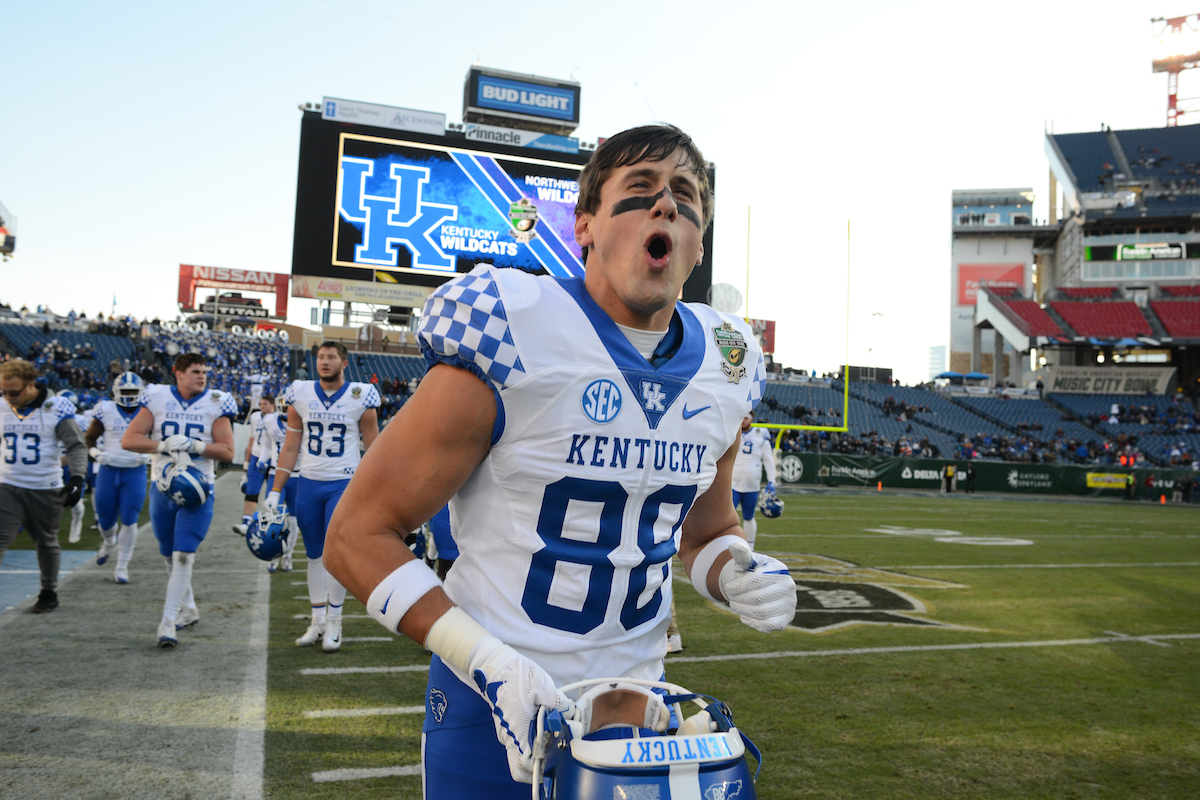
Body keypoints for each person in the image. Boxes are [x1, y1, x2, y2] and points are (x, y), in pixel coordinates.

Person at [323, 124, 797, 797]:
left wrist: (737, 571)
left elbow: (704, 533)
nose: (665, 204)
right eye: (639, 190)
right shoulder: (513, 326)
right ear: (585, 227)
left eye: (684, 196)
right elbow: (353, 537)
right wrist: (486, 663)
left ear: (696, 244)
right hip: (489, 708)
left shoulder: (729, 362)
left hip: (636, 712)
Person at [266, 341, 380, 653]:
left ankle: (334, 621)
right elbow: (290, 447)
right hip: (309, 484)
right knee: (314, 554)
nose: (324, 362)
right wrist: (276, 490)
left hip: (343, 484)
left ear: (344, 363)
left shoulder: (360, 395)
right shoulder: (300, 392)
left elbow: (374, 448)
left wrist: (378, 491)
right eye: (320, 357)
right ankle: (317, 621)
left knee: (334, 553)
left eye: (331, 357)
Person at [121, 353, 236, 647]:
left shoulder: (216, 402)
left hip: (199, 489)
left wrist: (196, 445)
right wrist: (162, 445)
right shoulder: (158, 397)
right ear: (178, 374)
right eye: (196, 371)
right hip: (162, 487)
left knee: (184, 555)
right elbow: (130, 439)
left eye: (204, 372)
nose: (202, 377)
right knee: (168, 555)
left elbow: (227, 451)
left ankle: (167, 622)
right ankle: (189, 608)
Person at [0, 360, 88, 613]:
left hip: (44, 487)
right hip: (7, 484)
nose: (8, 397)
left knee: (46, 541)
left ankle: (49, 590)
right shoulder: (3, 406)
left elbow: (76, 446)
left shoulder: (55, 407)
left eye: (13, 392)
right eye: (3, 391)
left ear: (31, 385)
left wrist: (77, 478)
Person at [85, 371, 150, 582]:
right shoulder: (105, 409)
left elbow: (160, 438)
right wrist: (96, 454)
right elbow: (90, 439)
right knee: (105, 519)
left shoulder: (148, 411)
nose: (130, 395)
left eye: (133, 391)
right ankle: (108, 542)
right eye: (126, 391)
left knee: (130, 518)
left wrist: (151, 455)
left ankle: (122, 566)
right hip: (109, 469)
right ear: (116, 392)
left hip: (135, 471)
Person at [261, 393, 299, 573]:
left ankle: (288, 556)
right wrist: (262, 459)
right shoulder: (269, 420)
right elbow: (266, 445)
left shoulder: (304, 420)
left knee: (293, 522)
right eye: (283, 406)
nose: (285, 410)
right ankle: (273, 556)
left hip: (298, 475)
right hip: (276, 473)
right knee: (273, 517)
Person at [731, 409, 777, 550]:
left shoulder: (760, 434)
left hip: (752, 483)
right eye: (742, 417)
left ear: (751, 419)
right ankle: (725, 545)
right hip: (732, 482)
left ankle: (750, 548)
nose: (744, 420)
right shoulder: (731, 431)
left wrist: (772, 481)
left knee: (749, 516)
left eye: (746, 417)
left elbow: (768, 460)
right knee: (726, 518)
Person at [233, 396, 275, 536]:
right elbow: (251, 440)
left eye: (265, 404)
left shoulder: (278, 418)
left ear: (272, 405)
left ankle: (271, 524)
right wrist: (247, 461)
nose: (262, 406)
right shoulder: (255, 417)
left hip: (274, 459)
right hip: (256, 456)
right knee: (251, 490)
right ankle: (246, 522)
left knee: (273, 494)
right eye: (261, 404)